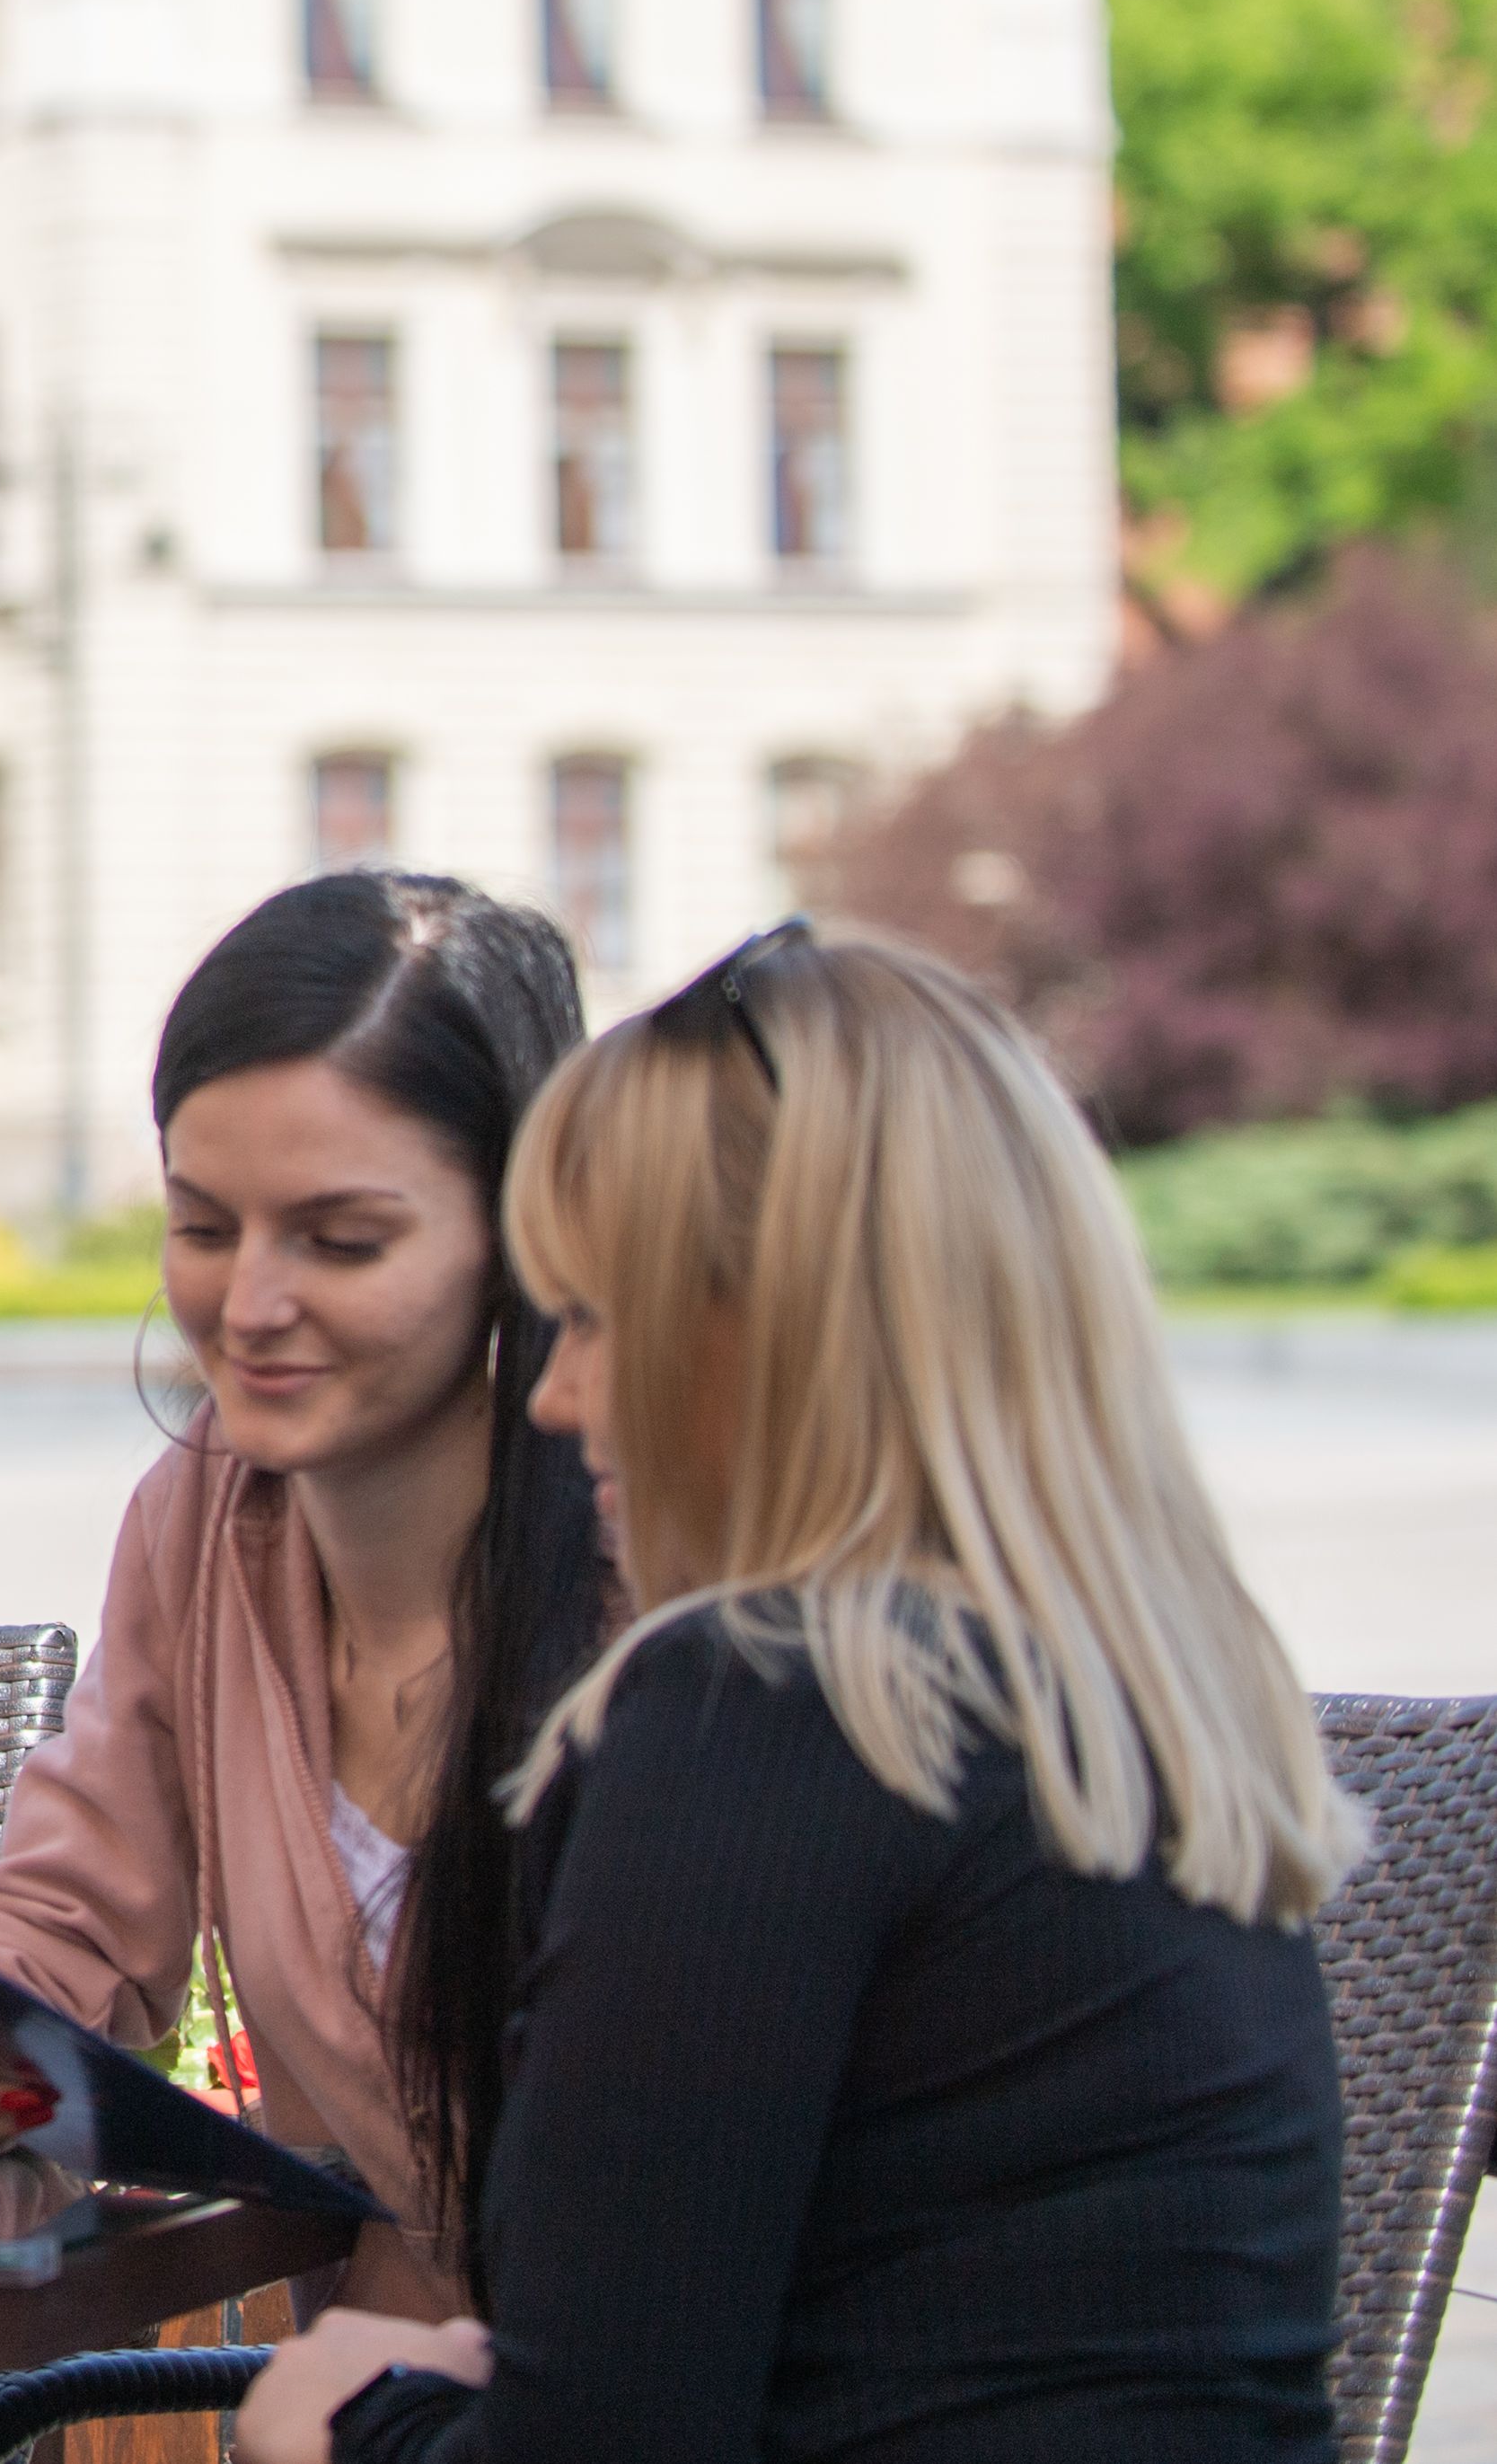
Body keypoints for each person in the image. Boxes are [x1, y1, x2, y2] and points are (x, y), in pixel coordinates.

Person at [242, 923, 1357, 2464]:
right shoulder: (1135, 1703)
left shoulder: (770, 1707)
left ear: (775, 1336)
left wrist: (345, 2417)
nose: (554, 1398)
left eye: (597, 1317)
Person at [0, 873, 609, 2320]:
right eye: (202, 1226)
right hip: (374, 2383)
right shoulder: (201, 1516)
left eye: (338, 1239)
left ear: (519, 1234)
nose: (247, 1304)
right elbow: (73, 1909)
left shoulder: (649, 1547)